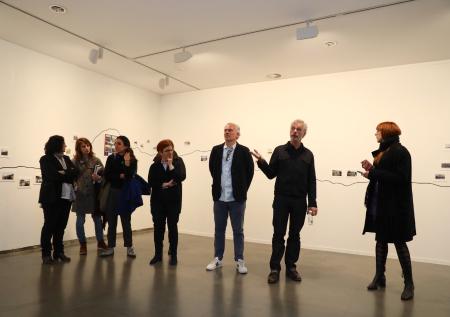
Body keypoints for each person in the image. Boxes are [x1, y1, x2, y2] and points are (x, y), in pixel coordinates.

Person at [251, 119, 317, 284]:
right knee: (278, 234)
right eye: (293, 128)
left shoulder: (308, 155)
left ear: (304, 133)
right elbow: (271, 173)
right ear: (290, 131)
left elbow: (311, 181)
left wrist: (313, 203)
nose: (295, 131)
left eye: (299, 129)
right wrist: (261, 162)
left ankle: (291, 268)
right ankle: (274, 269)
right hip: (281, 199)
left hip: (299, 201)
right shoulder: (280, 151)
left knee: (295, 235)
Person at [361, 121, 416, 301]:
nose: (375, 134)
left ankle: (409, 284)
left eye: (377, 131)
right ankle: (379, 276)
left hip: (397, 208)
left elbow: (401, 178)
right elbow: (384, 172)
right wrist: (372, 168)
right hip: (383, 205)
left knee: (400, 243)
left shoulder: (401, 152)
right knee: (381, 241)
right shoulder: (386, 151)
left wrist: (374, 174)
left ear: (385, 133)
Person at [206, 123, 254, 274]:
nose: (227, 132)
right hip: (219, 198)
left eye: (230, 130)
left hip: (237, 199)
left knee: (237, 231)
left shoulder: (244, 151)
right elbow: (212, 169)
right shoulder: (216, 150)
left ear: (237, 134)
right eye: (225, 130)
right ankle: (217, 259)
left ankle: (240, 260)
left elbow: (250, 172)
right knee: (219, 230)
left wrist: (241, 190)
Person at [38, 135, 78, 264]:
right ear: (57, 145)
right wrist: (66, 173)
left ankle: (59, 252)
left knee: (61, 226)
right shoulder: (45, 159)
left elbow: (75, 173)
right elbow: (52, 176)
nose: (66, 146)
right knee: (49, 226)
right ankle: (46, 254)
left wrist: (63, 173)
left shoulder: (66, 158)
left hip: (66, 198)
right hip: (51, 198)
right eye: (64, 144)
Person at [148, 139, 186, 266]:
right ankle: (158, 254)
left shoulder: (178, 162)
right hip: (158, 202)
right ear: (160, 152)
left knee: (172, 228)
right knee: (158, 229)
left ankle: (173, 254)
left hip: (173, 202)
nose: (170, 152)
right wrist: (163, 185)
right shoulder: (154, 166)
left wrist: (171, 166)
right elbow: (151, 182)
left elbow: (180, 177)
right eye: (167, 150)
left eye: (171, 149)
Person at [100, 135, 138, 258]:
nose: (116, 145)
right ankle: (110, 247)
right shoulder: (111, 158)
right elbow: (107, 175)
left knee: (126, 221)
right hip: (113, 192)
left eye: (119, 143)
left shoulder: (132, 159)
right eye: (115, 143)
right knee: (112, 221)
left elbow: (130, 175)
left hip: (125, 193)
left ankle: (129, 247)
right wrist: (119, 175)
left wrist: (126, 164)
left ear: (126, 146)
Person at [72, 138, 107, 255]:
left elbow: (105, 176)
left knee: (97, 219)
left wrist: (99, 178)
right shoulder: (74, 161)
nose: (86, 148)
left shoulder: (96, 160)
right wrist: (75, 186)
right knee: (79, 221)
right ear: (78, 149)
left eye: (88, 145)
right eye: (83, 146)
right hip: (80, 195)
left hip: (94, 195)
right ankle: (82, 244)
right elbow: (70, 178)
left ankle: (100, 241)